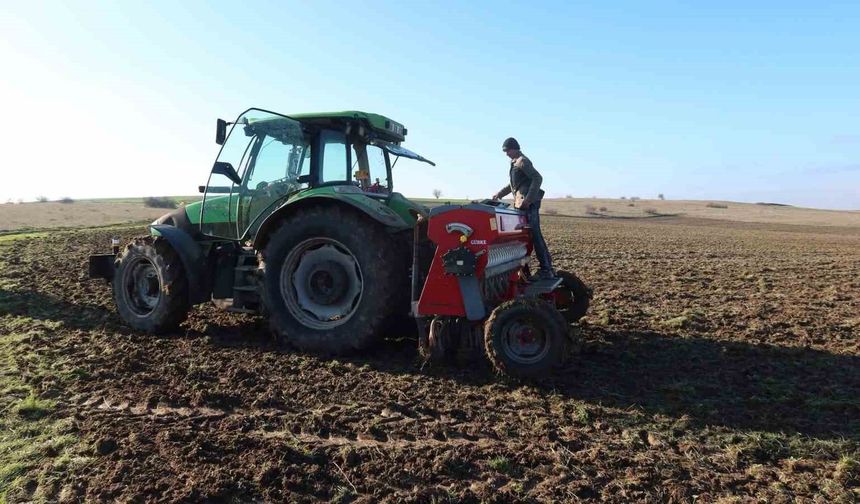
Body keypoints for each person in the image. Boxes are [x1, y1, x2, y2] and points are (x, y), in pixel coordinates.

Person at [492, 137, 554, 279]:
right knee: (526, 237)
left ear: (515, 148)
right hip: (522, 205)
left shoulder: (522, 161)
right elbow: (513, 185)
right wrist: (499, 194)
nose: (506, 153)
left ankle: (546, 268)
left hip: (528, 205)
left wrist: (528, 199)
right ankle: (525, 269)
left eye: (507, 150)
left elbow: (537, 178)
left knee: (535, 235)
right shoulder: (515, 162)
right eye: (505, 151)